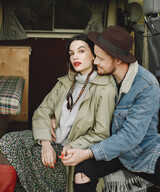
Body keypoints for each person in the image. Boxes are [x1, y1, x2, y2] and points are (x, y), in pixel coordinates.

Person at [0, 34, 116, 192]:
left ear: (94, 55)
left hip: (68, 152)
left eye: (81, 51)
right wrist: (46, 142)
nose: (75, 56)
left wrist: (71, 145)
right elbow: (42, 110)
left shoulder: (105, 88)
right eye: (71, 53)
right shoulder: (66, 81)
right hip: (48, 142)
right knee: (7, 142)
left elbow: (101, 133)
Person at [60, 26, 160, 192]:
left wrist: (87, 153)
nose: (94, 61)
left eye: (99, 58)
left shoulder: (147, 86)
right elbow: (75, 99)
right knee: (82, 174)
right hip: (111, 151)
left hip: (143, 154)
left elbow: (130, 137)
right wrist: (56, 117)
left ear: (118, 60)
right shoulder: (102, 75)